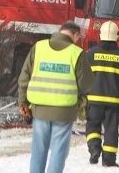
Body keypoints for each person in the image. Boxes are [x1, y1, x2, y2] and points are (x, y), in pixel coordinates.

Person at [18, 20, 93, 173]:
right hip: (65, 111)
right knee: (59, 150)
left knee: (39, 149)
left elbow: (24, 77)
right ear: (75, 34)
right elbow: (86, 84)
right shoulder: (76, 53)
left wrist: (22, 102)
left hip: (39, 109)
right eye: (79, 37)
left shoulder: (38, 48)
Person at [84, 21, 119, 167]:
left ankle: (94, 148)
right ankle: (109, 159)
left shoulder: (91, 54)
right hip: (115, 102)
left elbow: (84, 78)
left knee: (93, 126)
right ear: (117, 37)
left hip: (94, 100)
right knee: (111, 130)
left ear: (100, 35)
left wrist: (82, 96)